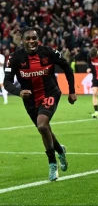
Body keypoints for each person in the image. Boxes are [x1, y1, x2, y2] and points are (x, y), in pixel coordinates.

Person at [3, 26, 77, 181]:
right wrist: (19, 92)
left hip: (50, 93)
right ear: (22, 41)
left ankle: (52, 164)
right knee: (45, 129)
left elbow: (67, 68)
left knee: (42, 125)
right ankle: (60, 150)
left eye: (34, 38)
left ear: (38, 39)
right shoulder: (15, 58)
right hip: (29, 99)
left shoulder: (49, 52)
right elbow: (7, 82)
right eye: (28, 39)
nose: (32, 41)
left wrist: (72, 91)